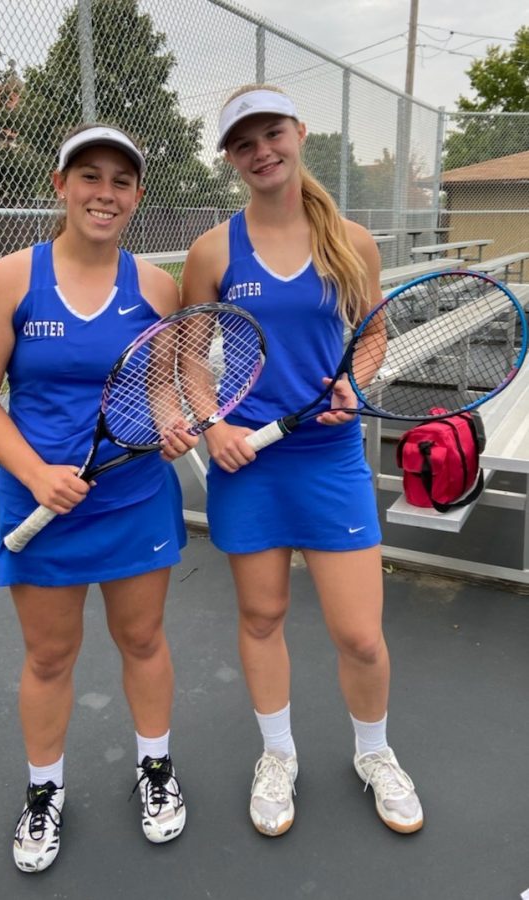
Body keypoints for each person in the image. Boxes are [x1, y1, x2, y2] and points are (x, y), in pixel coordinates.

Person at [181, 85, 424, 838]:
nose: (261, 151)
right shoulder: (213, 250)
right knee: (261, 616)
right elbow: (189, 360)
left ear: (299, 133)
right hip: (247, 464)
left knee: (358, 634)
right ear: (229, 158)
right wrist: (211, 422)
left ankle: (374, 754)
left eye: (272, 133)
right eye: (243, 142)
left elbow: (373, 335)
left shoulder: (351, 240)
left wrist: (355, 381)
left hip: (328, 459)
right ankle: (277, 756)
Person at [0, 123, 196, 872]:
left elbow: (158, 387)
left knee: (144, 641)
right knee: (51, 657)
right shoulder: (9, 280)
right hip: (40, 506)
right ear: (60, 186)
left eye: (120, 182)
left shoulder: (157, 286)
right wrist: (35, 475)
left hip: (133, 502)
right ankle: (43, 791)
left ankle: (154, 769)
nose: (104, 192)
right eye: (88, 176)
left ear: (137, 198)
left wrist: (171, 425)